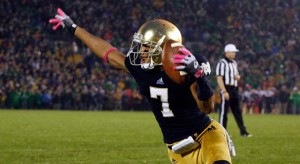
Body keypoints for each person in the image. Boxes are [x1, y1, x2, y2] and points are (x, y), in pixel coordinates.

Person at [49, 8, 235, 163]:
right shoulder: (140, 68)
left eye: (146, 47)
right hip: (177, 148)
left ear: (163, 48)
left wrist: (200, 77)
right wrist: (74, 28)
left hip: (206, 134)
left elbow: (207, 108)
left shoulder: (185, 65)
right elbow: (107, 52)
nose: (141, 51)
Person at [215, 44, 252, 137]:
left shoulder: (234, 63)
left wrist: (237, 77)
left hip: (234, 89)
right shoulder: (222, 63)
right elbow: (219, 78)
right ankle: (222, 133)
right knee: (224, 112)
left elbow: (237, 75)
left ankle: (243, 131)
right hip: (226, 88)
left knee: (237, 111)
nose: (234, 54)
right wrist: (224, 91)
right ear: (227, 52)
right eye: (233, 52)